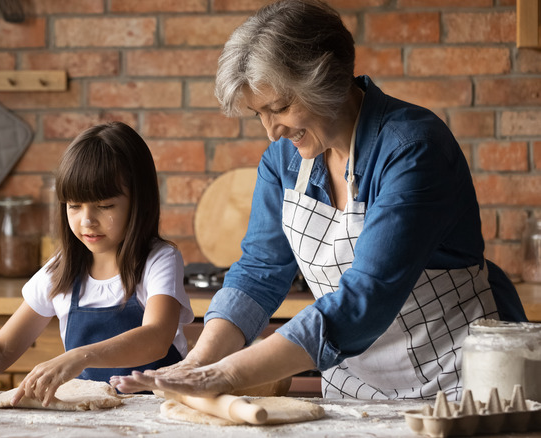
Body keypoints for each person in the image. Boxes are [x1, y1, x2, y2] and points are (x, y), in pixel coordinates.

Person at [113, 0, 527, 401]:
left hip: (458, 381)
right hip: (354, 388)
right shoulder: (284, 161)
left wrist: (225, 373)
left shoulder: (412, 149)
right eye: (260, 113)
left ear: (326, 78)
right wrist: (199, 362)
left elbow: (367, 296)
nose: (271, 131)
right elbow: (259, 274)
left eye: (280, 107)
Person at [0, 121, 194, 406]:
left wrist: (78, 356)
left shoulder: (159, 260)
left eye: (105, 206)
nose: (87, 220)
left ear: (139, 202)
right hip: (93, 418)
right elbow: (1, 349)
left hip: (160, 413)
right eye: (74, 206)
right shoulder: (61, 271)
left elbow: (156, 336)